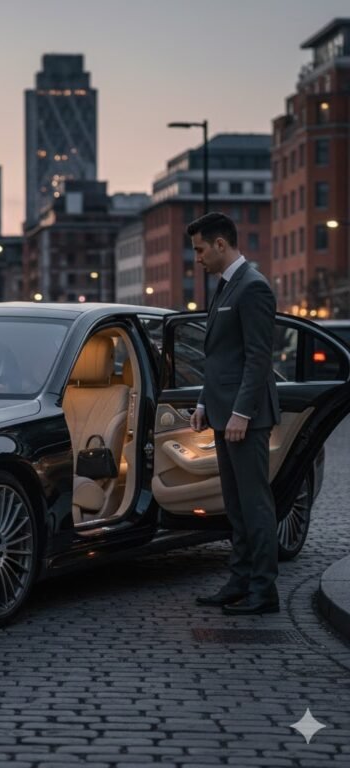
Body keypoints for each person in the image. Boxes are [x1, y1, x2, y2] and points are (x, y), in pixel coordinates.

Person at [188, 212, 281, 615]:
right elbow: (220, 356)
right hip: (225, 416)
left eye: (200, 249)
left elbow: (259, 358)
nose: (197, 259)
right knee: (236, 504)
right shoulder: (227, 287)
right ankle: (240, 580)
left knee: (255, 504)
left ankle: (264, 592)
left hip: (248, 418)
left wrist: (242, 412)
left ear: (221, 244)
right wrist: (204, 404)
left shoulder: (253, 288)